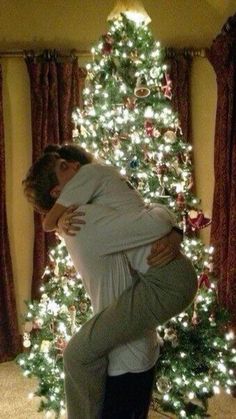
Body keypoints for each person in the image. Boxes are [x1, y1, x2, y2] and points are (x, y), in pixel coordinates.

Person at [23, 145, 198, 419]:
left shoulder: (85, 213)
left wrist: (173, 232)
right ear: (59, 194)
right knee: (78, 355)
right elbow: (152, 223)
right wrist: (172, 227)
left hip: (159, 295)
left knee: (79, 356)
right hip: (151, 312)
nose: (72, 165)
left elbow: (146, 218)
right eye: (64, 167)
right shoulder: (84, 219)